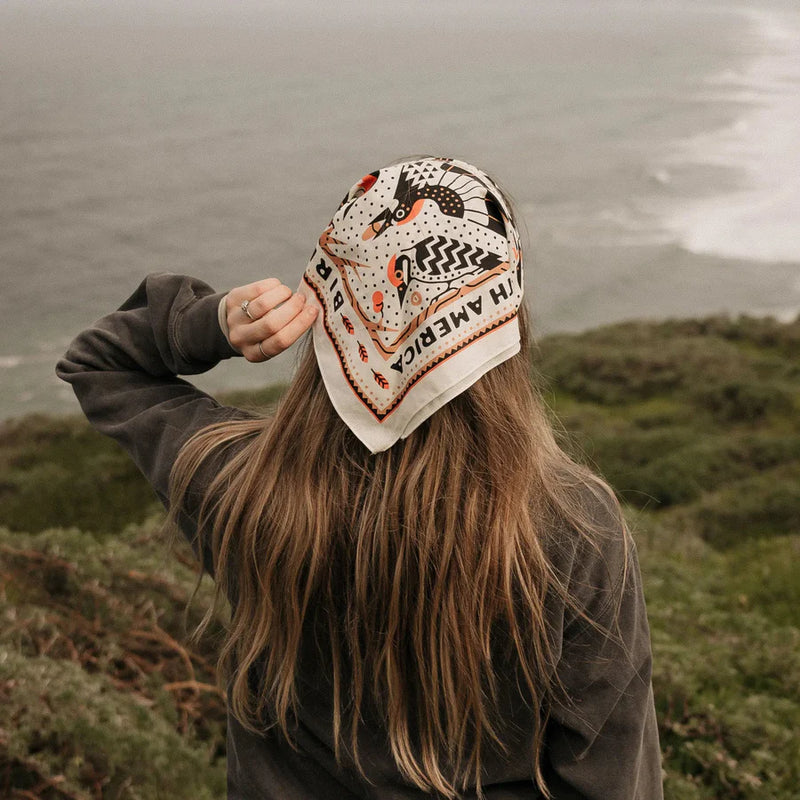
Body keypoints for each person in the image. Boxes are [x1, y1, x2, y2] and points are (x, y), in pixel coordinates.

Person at [57, 156, 663, 799]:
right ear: (505, 324)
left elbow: (100, 363)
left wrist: (212, 325)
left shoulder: (238, 485)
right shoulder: (574, 527)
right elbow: (614, 780)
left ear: (329, 310)